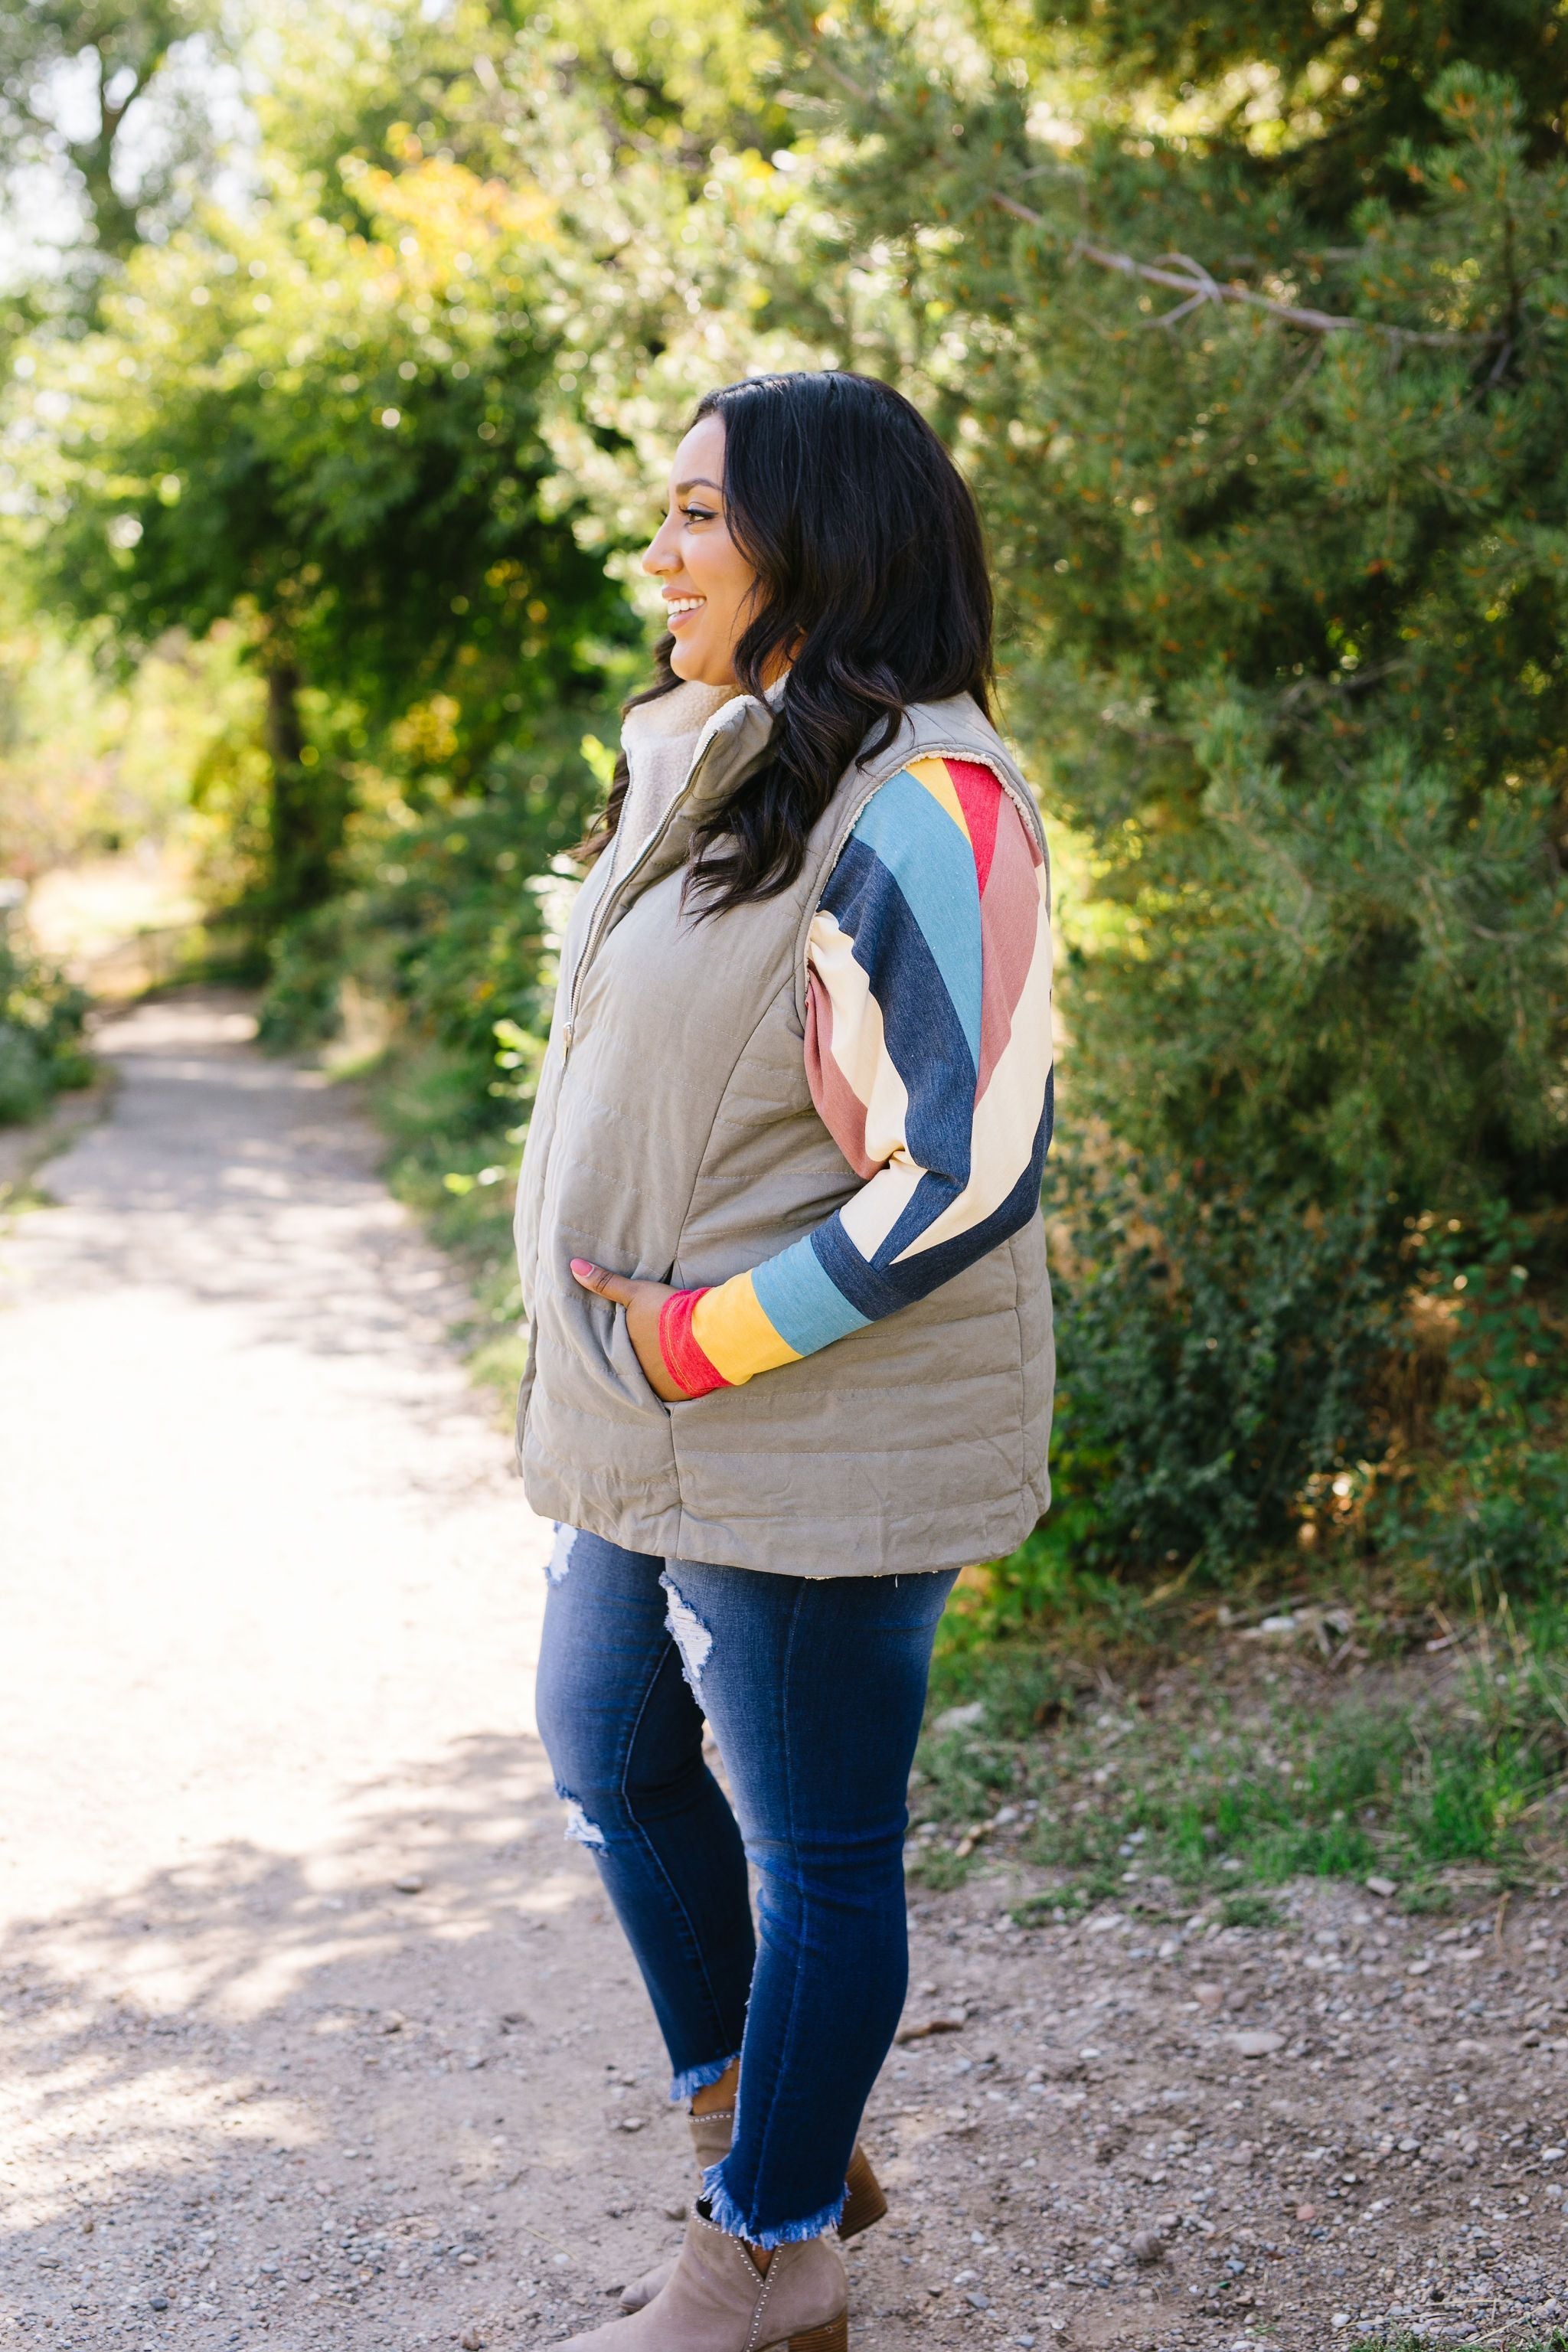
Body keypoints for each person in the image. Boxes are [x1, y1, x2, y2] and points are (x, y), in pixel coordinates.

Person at [514, 368, 1055, 2352]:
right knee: (608, 1743)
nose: (656, 552)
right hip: (650, 1416)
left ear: (814, 542)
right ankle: (781, 2124)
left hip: (812, 1423)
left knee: (819, 1846)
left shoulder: (936, 804)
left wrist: (695, 1341)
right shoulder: (715, 755)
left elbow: (962, 1171)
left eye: (694, 517)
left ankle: (768, 2256)